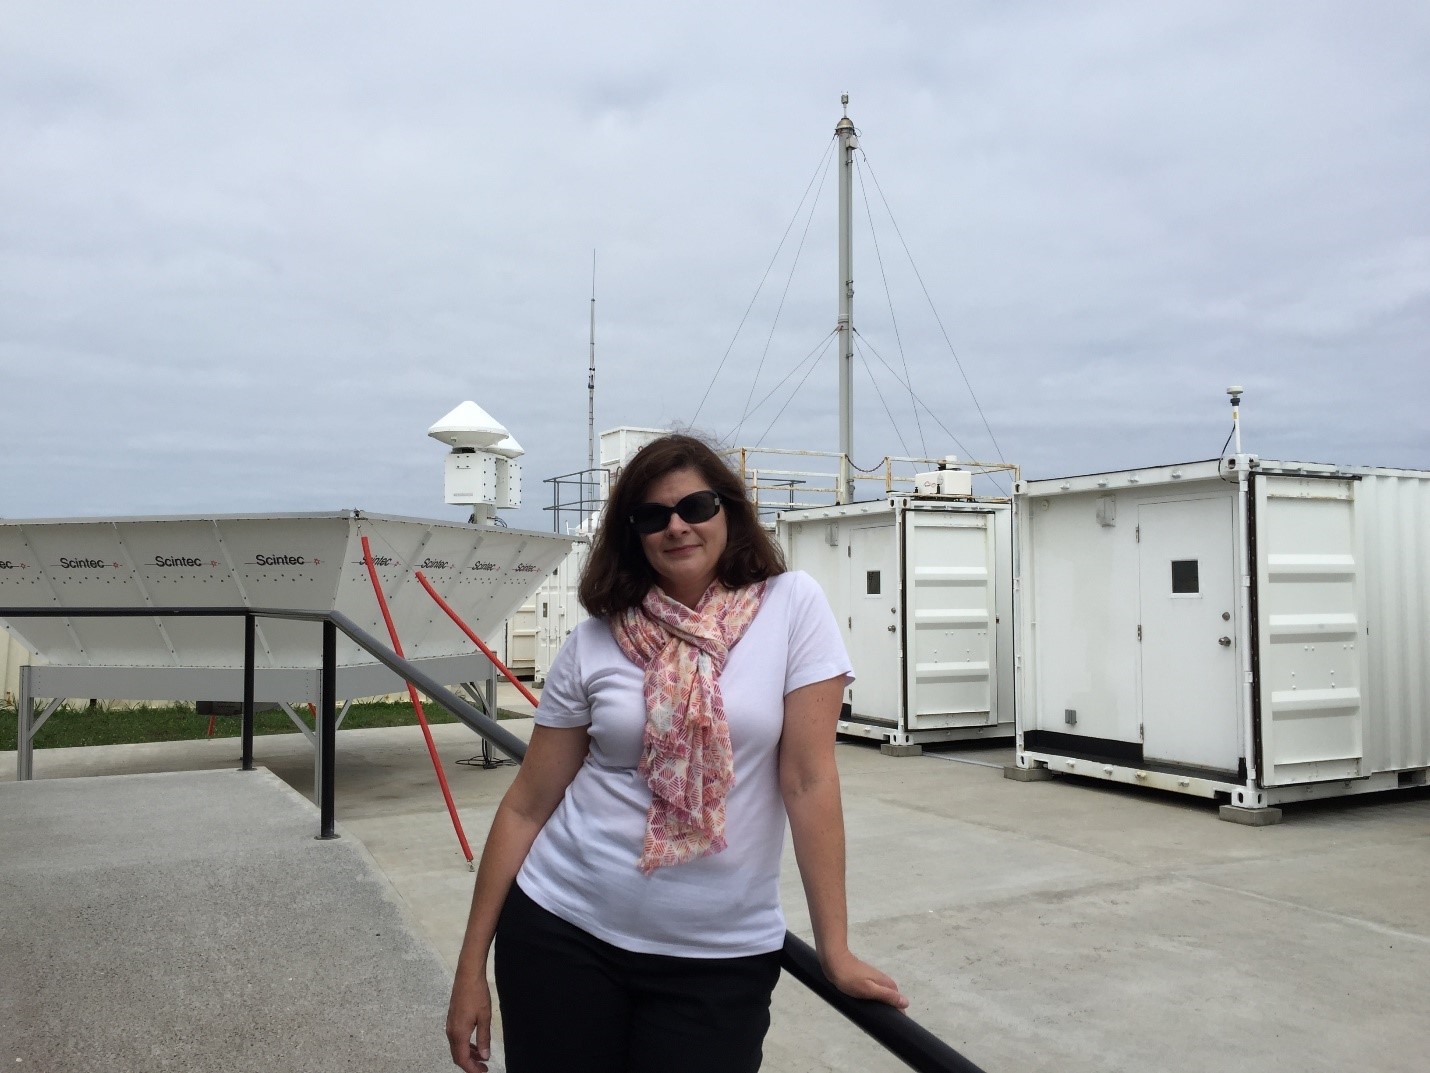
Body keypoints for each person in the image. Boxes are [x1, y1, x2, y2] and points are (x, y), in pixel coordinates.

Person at [445, 433, 907, 1073]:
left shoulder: (792, 606)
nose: (677, 526)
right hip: (562, 932)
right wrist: (470, 969)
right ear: (630, 533)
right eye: (652, 515)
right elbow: (528, 804)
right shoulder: (594, 641)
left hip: (718, 955)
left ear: (730, 512)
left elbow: (807, 780)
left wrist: (836, 949)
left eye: (696, 505)